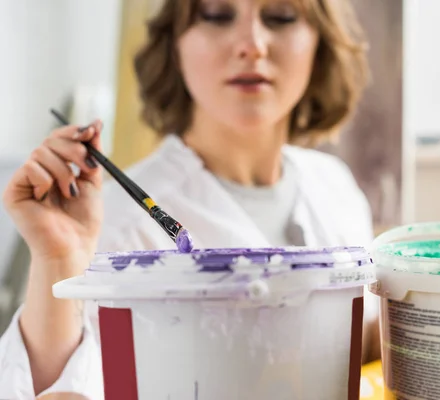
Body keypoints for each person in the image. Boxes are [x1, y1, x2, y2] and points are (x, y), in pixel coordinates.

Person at [0, 0, 380, 398]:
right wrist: (60, 262)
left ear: (320, 43)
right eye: (216, 14)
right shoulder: (116, 226)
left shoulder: (335, 188)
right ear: (174, 46)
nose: (252, 44)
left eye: (281, 16)